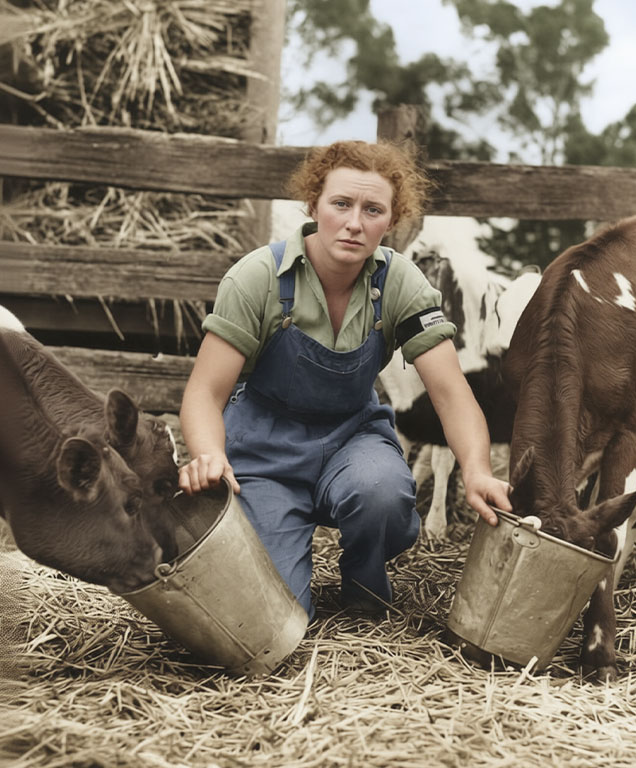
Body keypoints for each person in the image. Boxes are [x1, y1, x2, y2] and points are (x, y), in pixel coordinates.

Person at [178, 139, 512, 620]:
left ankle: (365, 580)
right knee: (277, 613)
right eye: (341, 204)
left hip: (352, 436)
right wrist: (209, 455)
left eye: (373, 209)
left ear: (392, 220)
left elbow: (451, 393)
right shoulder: (256, 278)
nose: (355, 223)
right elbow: (205, 393)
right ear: (313, 205)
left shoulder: (400, 283)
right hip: (265, 447)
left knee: (382, 493)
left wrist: (477, 469)